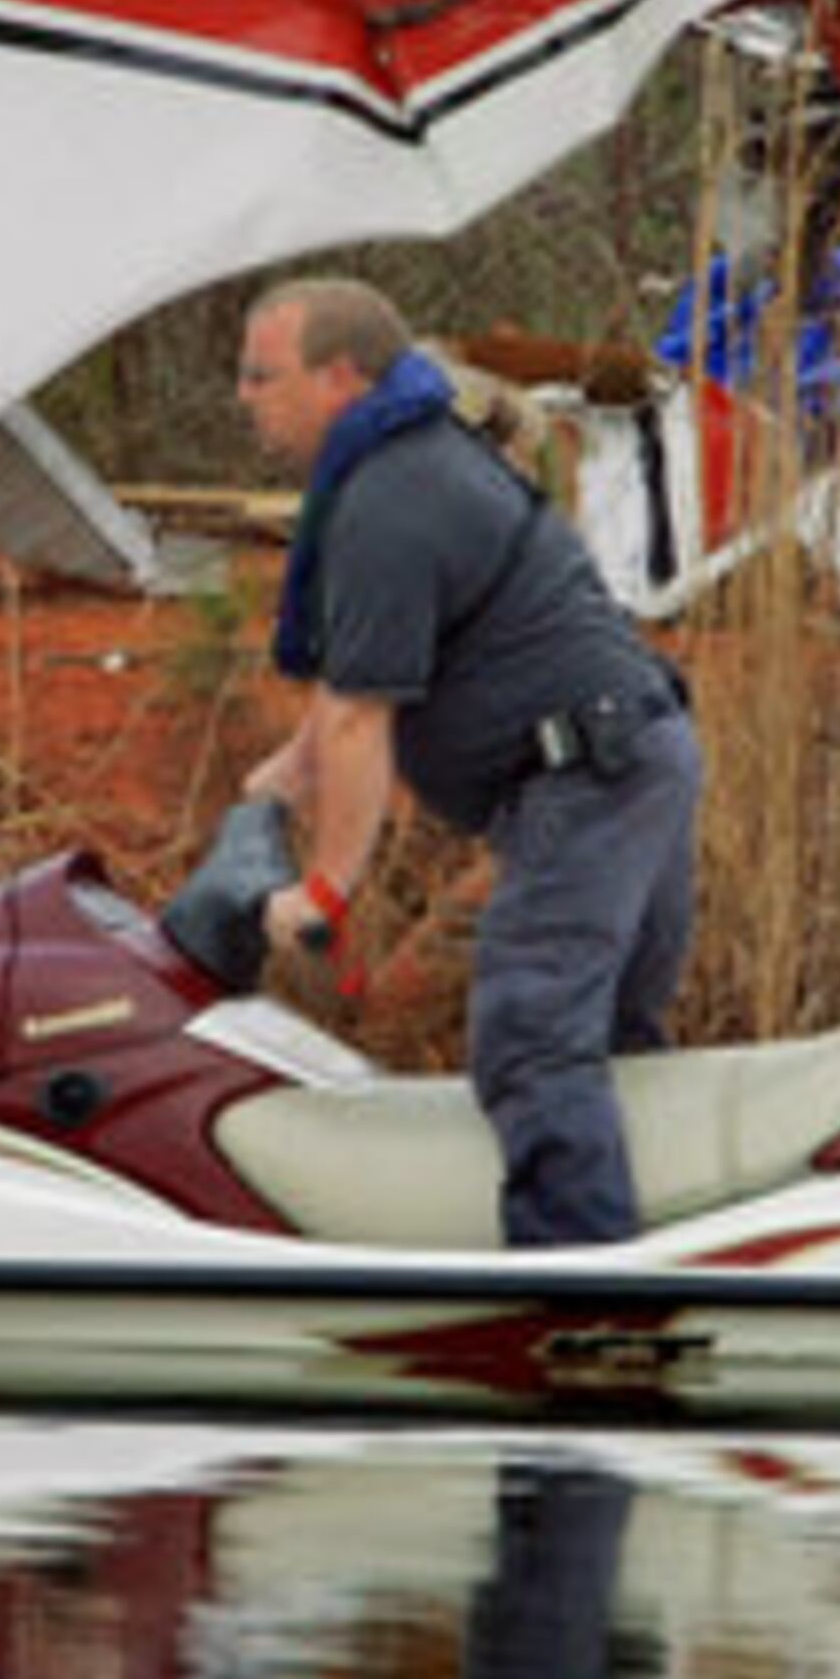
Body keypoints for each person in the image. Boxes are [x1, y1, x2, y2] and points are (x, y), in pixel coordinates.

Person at [237, 273, 702, 1248]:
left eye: (260, 375)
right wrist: (291, 767)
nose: (243, 396)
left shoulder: (387, 499)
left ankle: (577, 1298)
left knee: (532, 1031)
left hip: (589, 773)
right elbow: (358, 681)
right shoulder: (416, 458)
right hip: (632, 751)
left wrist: (324, 892)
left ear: (338, 377)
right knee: (612, 1039)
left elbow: (363, 717)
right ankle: (662, 1246)